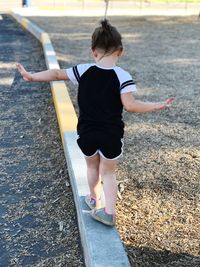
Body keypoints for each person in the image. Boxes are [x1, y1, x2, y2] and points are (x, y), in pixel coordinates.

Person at [16, 19, 174, 226]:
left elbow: (55, 73)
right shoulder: (123, 76)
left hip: (87, 132)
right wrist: (155, 105)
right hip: (111, 135)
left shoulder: (83, 70)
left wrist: (31, 76)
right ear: (121, 51)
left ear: (94, 52)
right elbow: (131, 105)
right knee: (108, 173)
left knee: (91, 167)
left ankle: (93, 199)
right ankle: (109, 213)